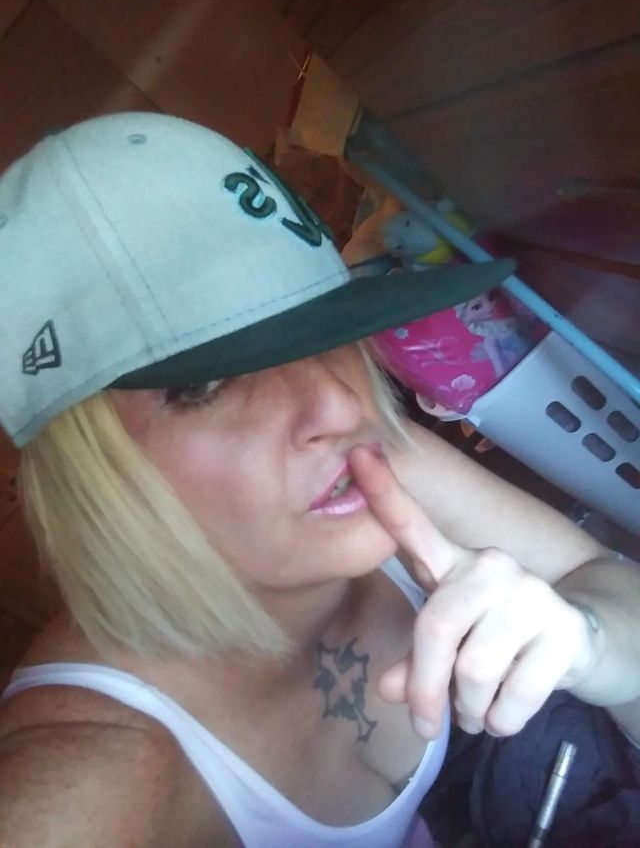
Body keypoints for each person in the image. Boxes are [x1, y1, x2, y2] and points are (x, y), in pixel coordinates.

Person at [0, 112, 638, 848]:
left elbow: (599, 577)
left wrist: (588, 642)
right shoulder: (91, 776)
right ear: (96, 478)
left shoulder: (375, 469)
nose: (339, 404)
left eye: (326, 329)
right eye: (205, 386)